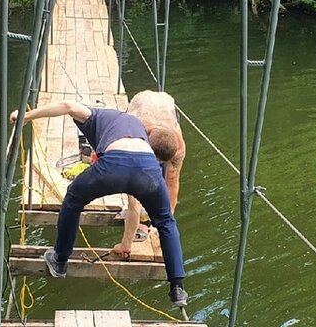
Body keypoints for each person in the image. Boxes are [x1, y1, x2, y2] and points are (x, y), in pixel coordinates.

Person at [10, 100, 188, 307]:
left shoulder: (98, 116)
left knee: (73, 200)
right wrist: (126, 244)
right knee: (166, 222)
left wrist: (25, 117)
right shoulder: (141, 134)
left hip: (113, 165)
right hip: (147, 170)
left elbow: (67, 106)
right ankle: (178, 288)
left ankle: (59, 260)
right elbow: (134, 206)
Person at [112, 90, 186, 260]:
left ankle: (156, 219)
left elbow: (172, 184)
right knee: (136, 186)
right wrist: (127, 243)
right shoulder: (133, 137)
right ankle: (141, 219)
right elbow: (133, 199)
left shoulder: (179, 149)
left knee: (170, 176)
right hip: (140, 104)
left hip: (166, 105)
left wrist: (165, 222)